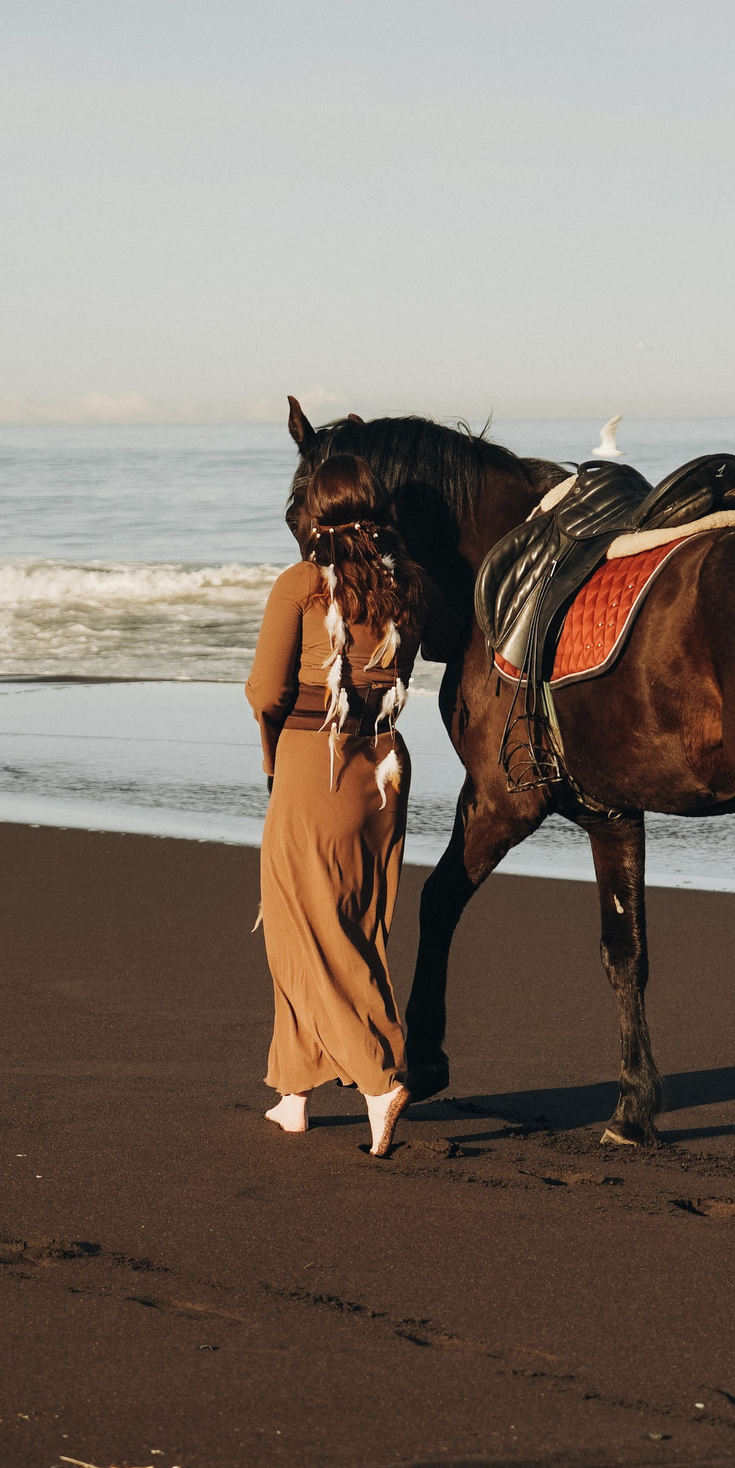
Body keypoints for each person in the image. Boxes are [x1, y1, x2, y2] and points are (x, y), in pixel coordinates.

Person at [245, 453, 427, 1158]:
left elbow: (265, 690)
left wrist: (271, 755)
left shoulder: (299, 584)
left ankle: (379, 1077)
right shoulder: (406, 584)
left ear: (313, 513)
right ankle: (293, 1090)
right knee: (354, 920)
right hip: (382, 764)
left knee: (308, 928)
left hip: (312, 763)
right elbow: (395, 674)